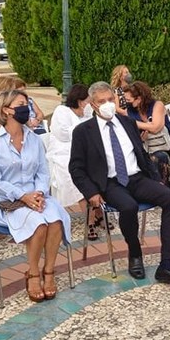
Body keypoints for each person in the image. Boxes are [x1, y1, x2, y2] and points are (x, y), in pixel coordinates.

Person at [69, 82, 170, 285]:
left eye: (111, 99)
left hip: (136, 178)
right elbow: (76, 168)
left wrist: (157, 180)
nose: (108, 104)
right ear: (93, 104)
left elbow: (142, 154)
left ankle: (167, 265)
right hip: (110, 183)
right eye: (102, 101)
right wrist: (90, 192)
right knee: (128, 206)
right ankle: (134, 253)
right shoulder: (83, 131)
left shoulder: (127, 123)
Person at [0, 89, 71, 302]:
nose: (26, 109)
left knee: (55, 221)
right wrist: (23, 196)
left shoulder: (34, 139)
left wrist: (38, 194)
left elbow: (42, 171)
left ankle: (49, 271)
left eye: (27, 104)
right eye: (21, 105)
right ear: (6, 110)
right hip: (7, 201)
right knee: (39, 225)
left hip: (37, 196)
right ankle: (33, 273)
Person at [47, 84, 101, 239]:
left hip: (84, 153)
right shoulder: (61, 112)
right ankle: (90, 222)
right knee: (79, 177)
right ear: (80, 101)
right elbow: (63, 134)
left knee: (99, 170)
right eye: (88, 101)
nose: (90, 105)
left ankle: (98, 214)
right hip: (63, 155)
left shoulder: (87, 115)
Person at [124, 81, 170, 190]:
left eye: (128, 100)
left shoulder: (157, 105)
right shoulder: (130, 111)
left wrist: (133, 123)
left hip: (165, 144)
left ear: (139, 99)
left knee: (161, 158)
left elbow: (156, 128)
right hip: (144, 145)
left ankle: (169, 192)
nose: (126, 102)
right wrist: (145, 129)